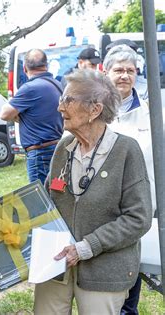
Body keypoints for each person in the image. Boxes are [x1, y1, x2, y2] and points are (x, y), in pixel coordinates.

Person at [35, 69, 152, 314]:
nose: (60, 108)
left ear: (94, 110)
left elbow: (138, 218)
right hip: (56, 266)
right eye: (61, 100)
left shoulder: (126, 151)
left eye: (68, 100)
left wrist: (86, 247)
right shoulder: (64, 147)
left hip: (104, 271)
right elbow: (45, 204)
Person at [104, 44, 155, 315]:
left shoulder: (151, 114)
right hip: (100, 206)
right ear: (105, 71)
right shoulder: (93, 109)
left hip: (136, 206)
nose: (125, 75)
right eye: (118, 70)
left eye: (130, 70)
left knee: (130, 266)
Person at [0, 48, 63, 184]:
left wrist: (18, 116)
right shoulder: (58, 85)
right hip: (58, 150)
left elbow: (4, 114)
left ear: (24, 68)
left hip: (40, 156)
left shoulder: (30, 88)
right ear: (46, 65)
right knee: (58, 192)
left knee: (41, 198)